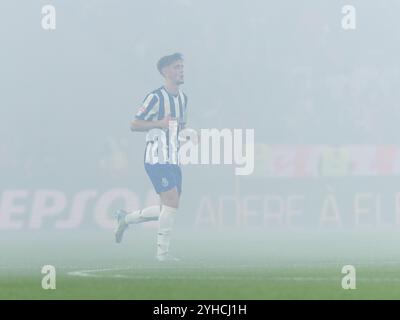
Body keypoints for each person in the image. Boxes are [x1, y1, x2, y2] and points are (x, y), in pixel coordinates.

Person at [114, 53, 188, 262]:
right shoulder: (155, 97)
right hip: (156, 157)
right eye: (176, 67)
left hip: (173, 158)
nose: (181, 70)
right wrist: (158, 123)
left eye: (182, 66)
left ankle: (125, 219)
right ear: (165, 71)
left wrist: (188, 135)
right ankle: (162, 255)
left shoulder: (183, 98)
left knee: (168, 208)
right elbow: (134, 124)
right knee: (172, 202)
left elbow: (180, 126)